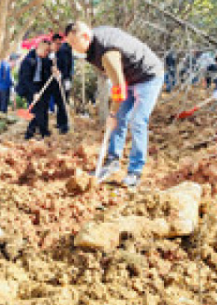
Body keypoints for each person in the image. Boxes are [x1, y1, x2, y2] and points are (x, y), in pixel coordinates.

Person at [65, 21, 164, 188]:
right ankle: (112, 162)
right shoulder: (93, 44)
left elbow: (119, 88)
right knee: (119, 118)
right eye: (70, 44)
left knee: (138, 121)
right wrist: (115, 114)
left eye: (74, 43)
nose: (73, 48)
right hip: (129, 78)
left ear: (85, 36)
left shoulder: (106, 51)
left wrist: (111, 114)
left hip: (148, 76)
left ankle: (135, 171)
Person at [16, 39, 53, 140]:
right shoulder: (28, 60)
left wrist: (54, 70)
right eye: (46, 51)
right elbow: (26, 80)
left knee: (43, 109)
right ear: (39, 48)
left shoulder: (44, 59)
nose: (47, 53)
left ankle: (43, 131)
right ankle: (30, 134)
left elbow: (49, 69)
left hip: (41, 87)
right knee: (37, 112)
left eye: (48, 51)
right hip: (29, 88)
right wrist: (34, 93)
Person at [47, 33, 73, 134]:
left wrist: (61, 75)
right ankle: (59, 122)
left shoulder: (64, 51)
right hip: (55, 81)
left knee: (63, 102)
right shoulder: (53, 53)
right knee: (58, 101)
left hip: (64, 80)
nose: (58, 45)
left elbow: (66, 67)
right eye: (56, 43)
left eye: (59, 43)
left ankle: (64, 126)